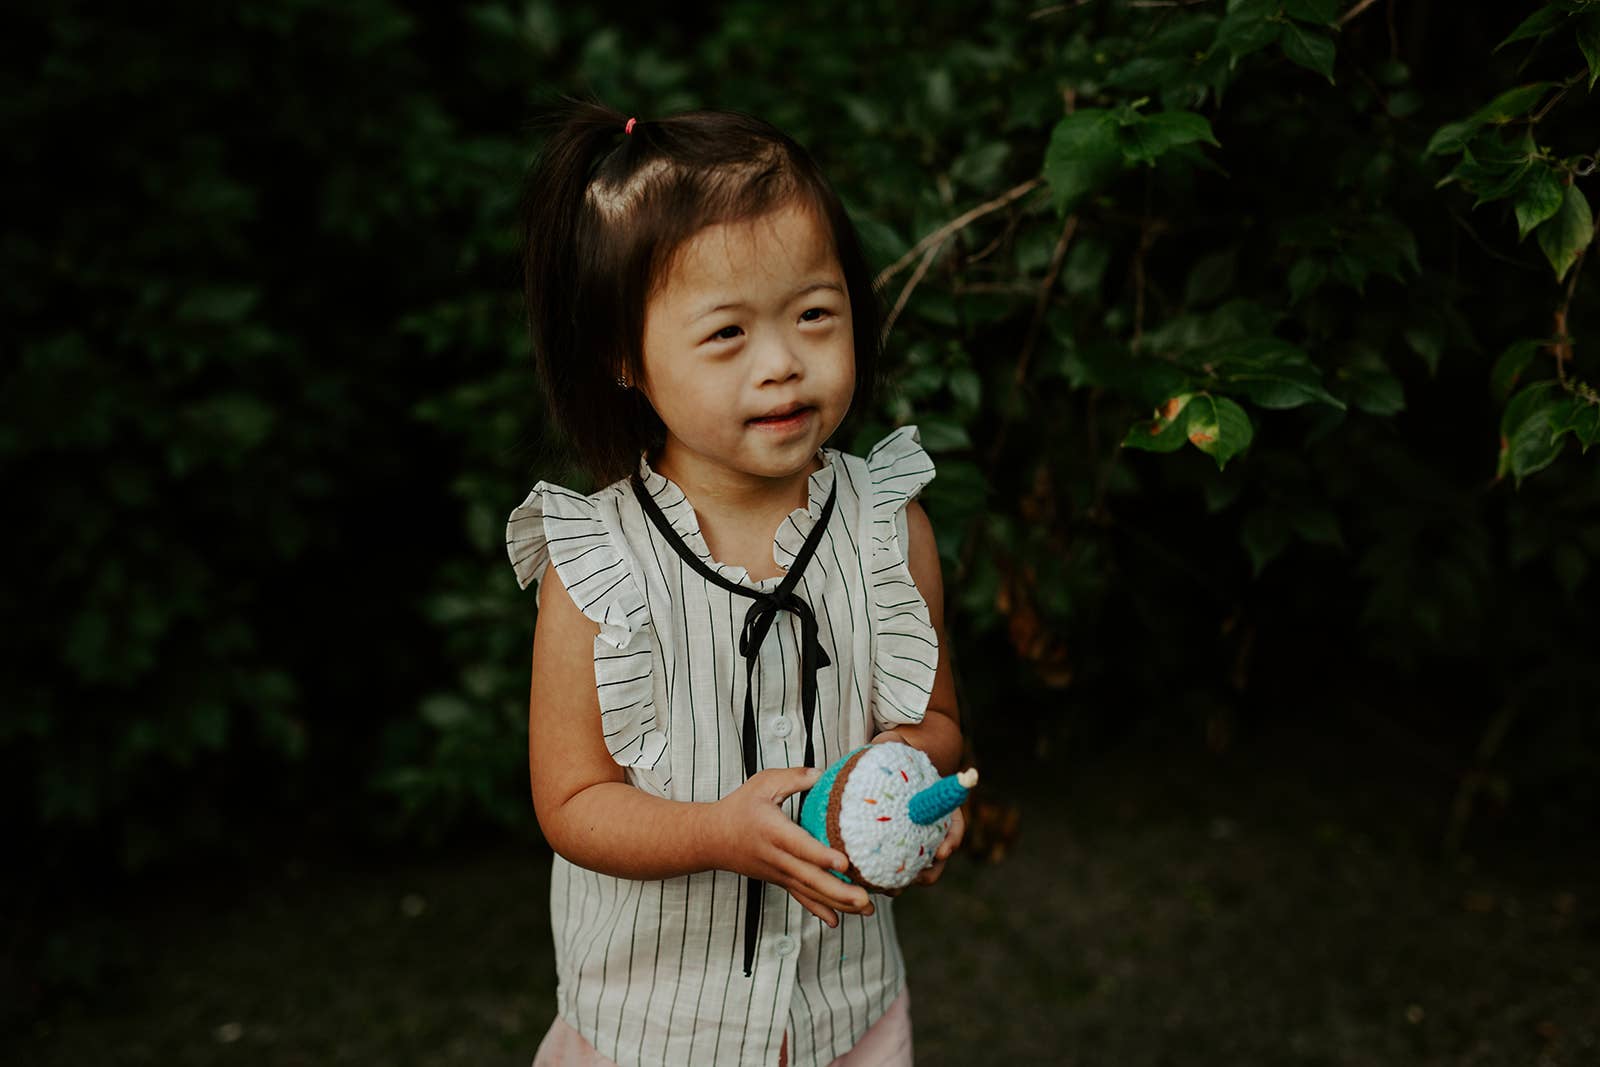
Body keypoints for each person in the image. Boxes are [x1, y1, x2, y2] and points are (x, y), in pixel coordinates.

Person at [506, 100, 964, 1067]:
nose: (783, 364)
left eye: (813, 314)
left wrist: (911, 786)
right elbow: (573, 799)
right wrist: (721, 831)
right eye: (727, 334)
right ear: (625, 356)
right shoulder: (597, 562)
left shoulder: (889, 527)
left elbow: (935, 722)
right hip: (652, 1027)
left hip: (847, 1011)